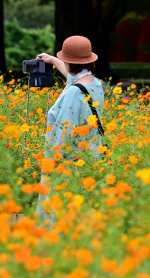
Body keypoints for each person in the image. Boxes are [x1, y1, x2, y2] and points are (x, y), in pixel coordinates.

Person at [35, 35, 105, 223]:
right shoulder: (94, 84)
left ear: (68, 61)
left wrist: (49, 162)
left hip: (69, 162)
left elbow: (62, 134)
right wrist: (51, 59)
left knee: (60, 212)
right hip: (90, 157)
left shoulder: (74, 92)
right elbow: (73, 78)